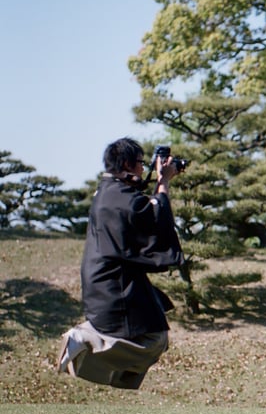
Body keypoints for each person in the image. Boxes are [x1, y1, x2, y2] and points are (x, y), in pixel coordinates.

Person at [56, 137, 184, 389]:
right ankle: (83, 338)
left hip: (111, 281)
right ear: (126, 163)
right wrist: (163, 182)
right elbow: (152, 218)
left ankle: (89, 348)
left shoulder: (111, 192)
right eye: (140, 163)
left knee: (156, 334)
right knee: (156, 337)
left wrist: (157, 182)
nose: (142, 168)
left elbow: (140, 212)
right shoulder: (118, 196)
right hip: (114, 286)